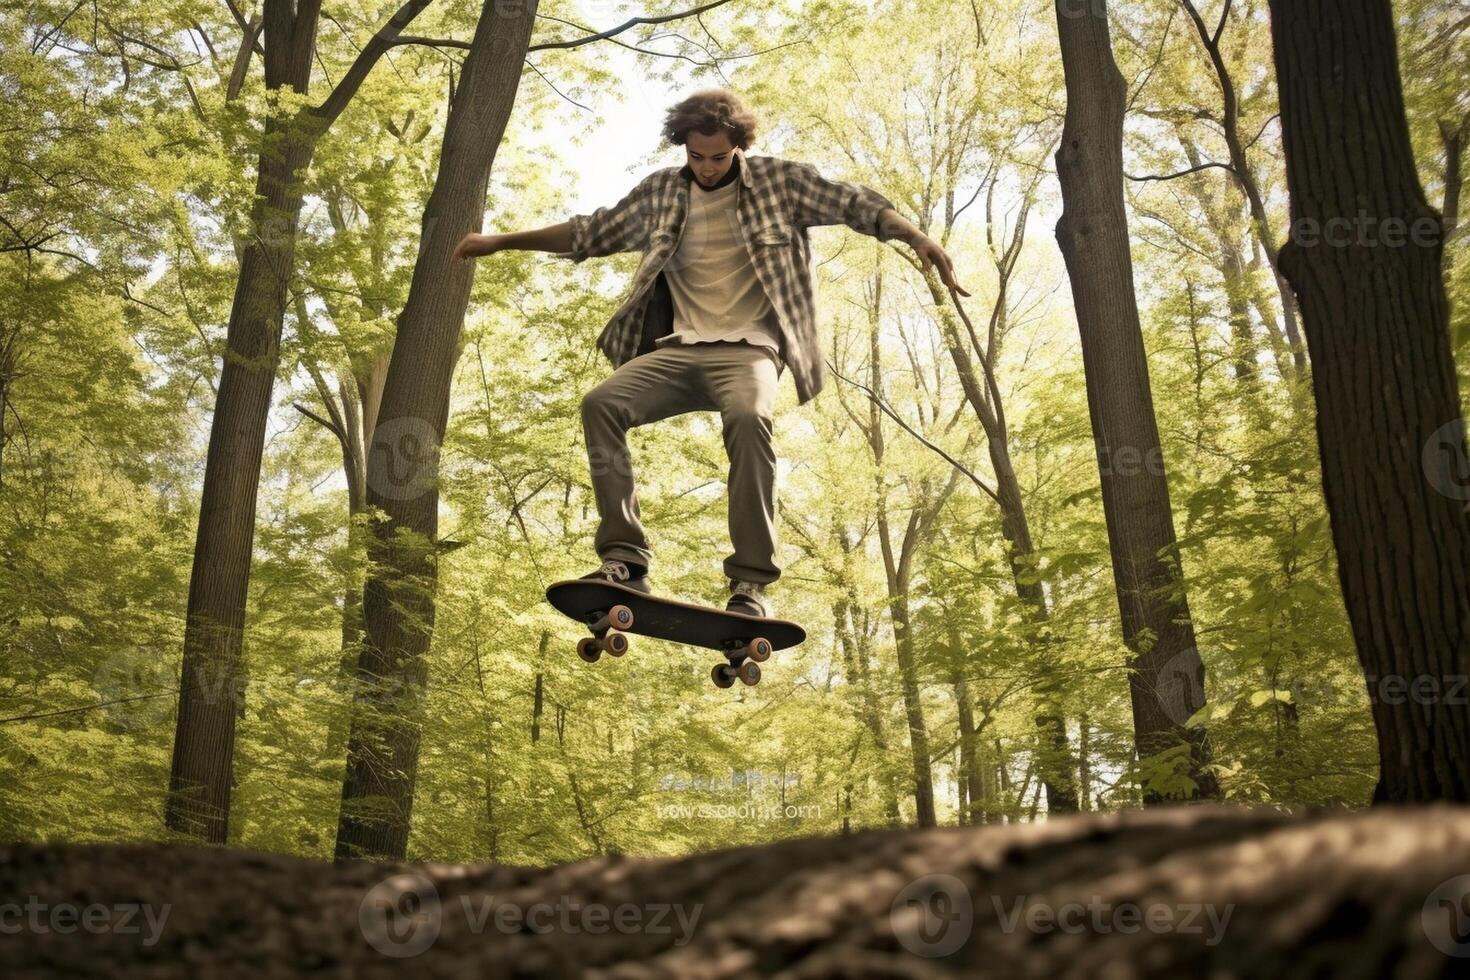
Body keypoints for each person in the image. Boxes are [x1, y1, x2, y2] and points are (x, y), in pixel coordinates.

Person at [453, 88, 966, 617]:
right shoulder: (660, 194)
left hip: (751, 351)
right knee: (601, 404)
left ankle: (750, 584)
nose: (706, 168)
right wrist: (500, 241)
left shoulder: (781, 184)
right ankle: (625, 559)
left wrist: (916, 237)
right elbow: (591, 231)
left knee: (748, 416)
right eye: (696, 157)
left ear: (738, 147)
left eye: (719, 157)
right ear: (683, 147)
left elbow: (857, 204)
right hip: (679, 351)